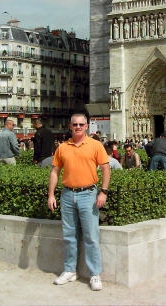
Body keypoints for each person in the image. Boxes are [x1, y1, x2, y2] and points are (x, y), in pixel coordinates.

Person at [48, 113, 110, 291]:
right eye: (74, 124)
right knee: (69, 235)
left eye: (81, 124)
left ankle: (95, 274)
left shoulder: (95, 145)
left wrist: (103, 192)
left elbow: (106, 170)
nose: (78, 127)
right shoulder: (62, 147)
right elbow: (55, 172)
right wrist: (51, 194)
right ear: (70, 126)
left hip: (88, 194)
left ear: (87, 126)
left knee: (91, 236)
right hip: (67, 195)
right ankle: (69, 270)